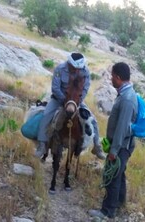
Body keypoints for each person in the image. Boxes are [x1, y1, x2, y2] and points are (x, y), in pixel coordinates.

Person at [88, 62, 138, 219]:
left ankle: (107, 212)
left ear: (117, 77)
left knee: (112, 178)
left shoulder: (127, 98)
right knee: (120, 173)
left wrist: (114, 151)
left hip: (121, 146)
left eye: (112, 76)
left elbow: (122, 128)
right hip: (121, 144)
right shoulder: (126, 94)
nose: (111, 79)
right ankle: (120, 202)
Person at [35, 52, 105, 160]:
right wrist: (66, 101)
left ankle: (97, 146)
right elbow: (55, 88)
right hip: (59, 98)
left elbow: (85, 89)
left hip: (76, 101)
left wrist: (76, 101)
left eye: (79, 68)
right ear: (69, 63)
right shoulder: (60, 69)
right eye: (74, 68)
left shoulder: (85, 71)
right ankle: (42, 145)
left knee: (92, 120)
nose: (77, 70)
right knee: (46, 115)